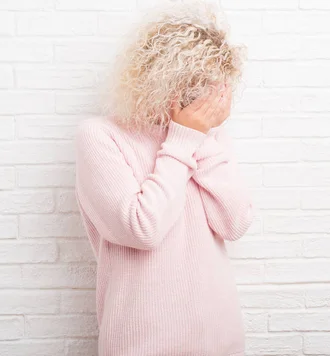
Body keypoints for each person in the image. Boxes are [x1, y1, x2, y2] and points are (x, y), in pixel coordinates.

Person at [74, 2, 252, 355]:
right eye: (199, 84)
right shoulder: (100, 136)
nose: (209, 97)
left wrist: (200, 137)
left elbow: (234, 224)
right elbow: (142, 229)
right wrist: (184, 137)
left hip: (219, 337)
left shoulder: (209, 140)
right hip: (142, 342)